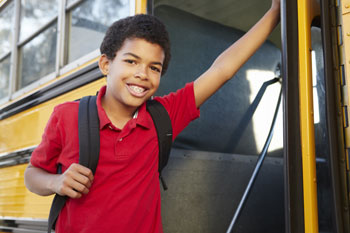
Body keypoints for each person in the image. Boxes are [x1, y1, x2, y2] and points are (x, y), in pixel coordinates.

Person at [24, 0, 280, 232]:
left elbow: (221, 70)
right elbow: (32, 174)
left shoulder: (164, 117)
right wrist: (57, 182)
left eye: (154, 67)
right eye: (131, 61)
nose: (142, 74)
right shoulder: (67, 116)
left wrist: (275, 13)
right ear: (106, 64)